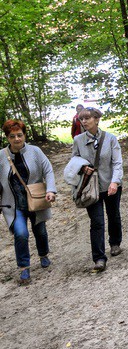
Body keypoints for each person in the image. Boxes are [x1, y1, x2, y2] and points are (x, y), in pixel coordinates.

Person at [67, 107, 124, 271]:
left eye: (87, 118)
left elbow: (117, 162)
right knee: (97, 221)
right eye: (81, 119)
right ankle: (99, 258)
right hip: (90, 188)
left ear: (97, 119)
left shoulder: (111, 139)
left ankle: (115, 243)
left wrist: (115, 182)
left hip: (110, 184)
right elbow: (74, 161)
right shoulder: (78, 140)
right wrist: (82, 168)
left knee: (113, 215)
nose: (84, 122)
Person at [1, 120, 57, 284]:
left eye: (20, 135)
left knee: (40, 231)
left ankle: (43, 254)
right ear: (7, 138)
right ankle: (24, 268)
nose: (17, 139)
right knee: (21, 233)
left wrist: (51, 190)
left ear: (25, 135)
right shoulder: (1, 156)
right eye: (12, 136)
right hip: (14, 204)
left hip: (36, 200)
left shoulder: (35, 151)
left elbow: (48, 170)